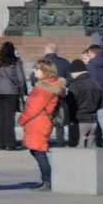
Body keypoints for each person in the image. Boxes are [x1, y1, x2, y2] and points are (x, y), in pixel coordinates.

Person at [20, 57, 64, 190]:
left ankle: (48, 180)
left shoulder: (43, 88)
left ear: (44, 71)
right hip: (39, 121)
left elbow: (33, 107)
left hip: (38, 121)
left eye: (36, 69)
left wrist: (22, 119)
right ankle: (46, 179)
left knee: (39, 151)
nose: (34, 71)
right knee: (36, 150)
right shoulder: (49, 85)